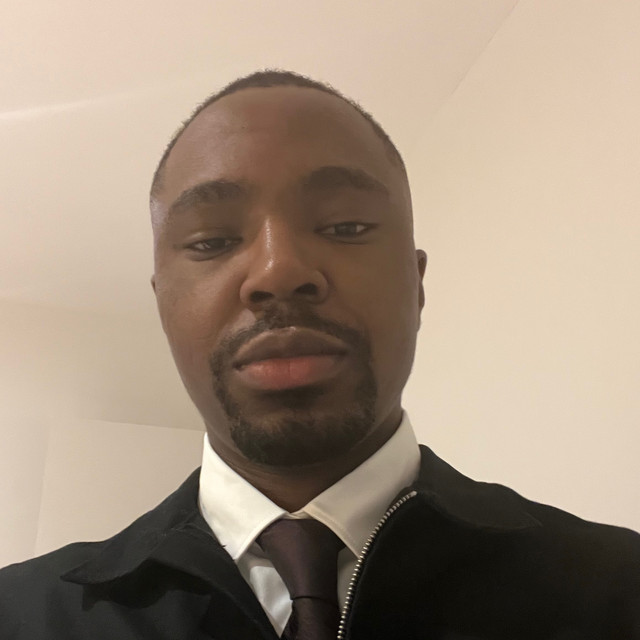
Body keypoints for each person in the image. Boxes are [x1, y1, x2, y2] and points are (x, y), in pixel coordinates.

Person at [1, 70, 639, 640]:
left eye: (346, 227)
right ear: (163, 305)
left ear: (416, 284)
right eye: (213, 240)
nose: (278, 271)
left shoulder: (619, 590)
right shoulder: (20, 617)